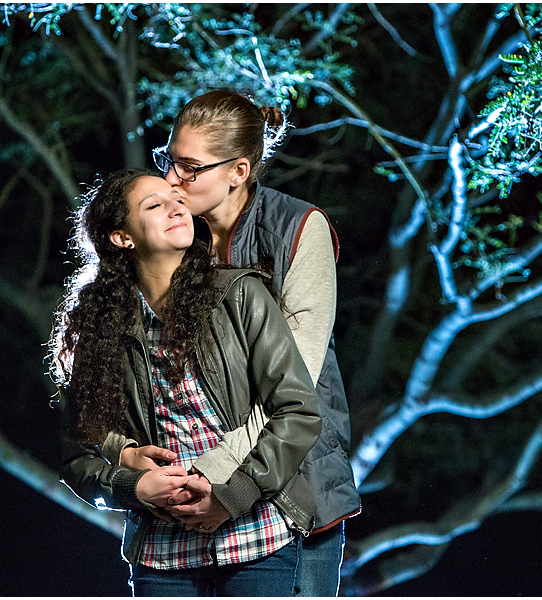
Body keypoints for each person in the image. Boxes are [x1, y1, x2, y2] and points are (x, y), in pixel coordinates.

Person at [106, 90, 362, 596]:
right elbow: (128, 369)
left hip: (291, 482)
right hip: (180, 506)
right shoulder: (176, 235)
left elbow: (296, 382)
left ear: (238, 171)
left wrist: (216, 475)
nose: (173, 179)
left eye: (189, 167)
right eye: (169, 161)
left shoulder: (298, 229)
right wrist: (132, 459)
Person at [50, 168, 322, 596]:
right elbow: (76, 456)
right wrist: (133, 485)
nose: (177, 206)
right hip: (162, 555)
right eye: (154, 205)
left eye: (176, 199)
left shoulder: (239, 294)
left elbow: (298, 410)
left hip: (257, 535)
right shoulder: (101, 331)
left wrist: (232, 495)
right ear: (123, 238)